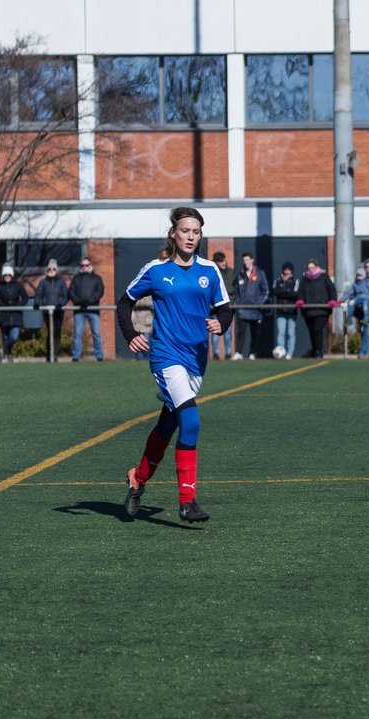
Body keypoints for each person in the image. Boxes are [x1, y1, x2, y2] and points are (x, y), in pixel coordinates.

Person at [117, 206, 233, 524]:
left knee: (168, 424)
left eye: (196, 232)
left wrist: (220, 324)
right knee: (191, 421)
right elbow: (125, 301)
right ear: (173, 234)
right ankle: (187, 501)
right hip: (166, 356)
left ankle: (137, 479)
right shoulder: (156, 269)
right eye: (185, 231)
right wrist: (130, 334)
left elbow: (225, 309)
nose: (191, 237)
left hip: (196, 361)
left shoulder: (209, 270)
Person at [296, 258, 337, 358]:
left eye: (312, 267)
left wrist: (332, 300)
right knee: (311, 331)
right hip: (308, 310)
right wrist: (300, 300)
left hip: (322, 309)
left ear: (317, 267)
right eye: (309, 268)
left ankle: (319, 351)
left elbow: (331, 289)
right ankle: (314, 350)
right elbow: (300, 292)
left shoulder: (324, 277)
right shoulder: (304, 279)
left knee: (317, 329)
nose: (311, 270)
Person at [232, 252, 268, 360]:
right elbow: (235, 290)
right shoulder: (239, 274)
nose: (245, 262)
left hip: (255, 310)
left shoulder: (260, 273)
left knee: (254, 334)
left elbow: (265, 290)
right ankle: (238, 353)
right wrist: (237, 303)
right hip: (242, 309)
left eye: (247, 260)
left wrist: (259, 303)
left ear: (252, 260)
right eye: (244, 260)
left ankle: (252, 353)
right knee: (240, 333)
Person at [69, 256, 105, 362]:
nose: (84, 267)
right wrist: (79, 301)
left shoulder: (97, 278)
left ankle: (99, 356)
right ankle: (76, 356)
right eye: (82, 265)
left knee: (96, 334)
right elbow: (71, 291)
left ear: (90, 266)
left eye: (86, 265)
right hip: (79, 310)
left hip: (93, 309)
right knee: (78, 334)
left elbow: (100, 291)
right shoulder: (76, 278)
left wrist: (90, 301)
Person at [0, 265, 28, 363]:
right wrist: (2, 305)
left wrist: (18, 305)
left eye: (8, 275)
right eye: (5, 275)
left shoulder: (18, 285)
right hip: (3, 316)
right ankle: (8, 355)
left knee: (14, 337)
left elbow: (25, 297)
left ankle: (4, 351)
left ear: (12, 275)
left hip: (16, 316)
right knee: (5, 338)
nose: (7, 277)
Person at [34, 258, 69, 362]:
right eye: (50, 269)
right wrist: (37, 303)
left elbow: (65, 296)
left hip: (58, 312)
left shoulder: (61, 282)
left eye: (54, 269)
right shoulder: (43, 282)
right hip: (47, 312)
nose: (52, 270)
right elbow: (38, 295)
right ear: (47, 270)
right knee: (50, 332)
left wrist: (60, 303)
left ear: (56, 270)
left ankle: (54, 354)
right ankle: (49, 355)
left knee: (57, 333)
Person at [342, 269, 369, 357]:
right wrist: (341, 299)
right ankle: (349, 319)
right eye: (358, 275)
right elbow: (349, 293)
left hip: (368, 305)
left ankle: (364, 352)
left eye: (360, 275)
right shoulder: (355, 284)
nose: (359, 277)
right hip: (359, 300)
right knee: (351, 303)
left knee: (367, 332)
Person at [209, 252, 235, 359]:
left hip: (226, 307)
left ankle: (228, 353)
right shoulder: (211, 271)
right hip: (214, 308)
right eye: (220, 261)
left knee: (228, 331)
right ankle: (215, 354)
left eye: (223, 260)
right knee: (215, 331)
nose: (223, 263)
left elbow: (232, 289)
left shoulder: (231, 273)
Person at [271, 262, 300, 358]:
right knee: (281, 333)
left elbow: (294, 294)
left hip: (292, 311)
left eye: (289, 272)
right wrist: (286, 289)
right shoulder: (278, 281)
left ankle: (290, 353)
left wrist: (284, 291)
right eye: (285, 271)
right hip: (280, 311)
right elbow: (275, 291)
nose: (287, 273)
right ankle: (281, 351)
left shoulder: (295, 281)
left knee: (291, 333)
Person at [130, 295, 154, 361]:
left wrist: (140, 302)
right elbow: (131, 303)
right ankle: (139, 360)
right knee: (137, 343)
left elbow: (151, 304)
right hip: (136, 323)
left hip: (146, 323)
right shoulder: (136, 294)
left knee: (146, 343)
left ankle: (147, 359)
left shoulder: (149, 295)